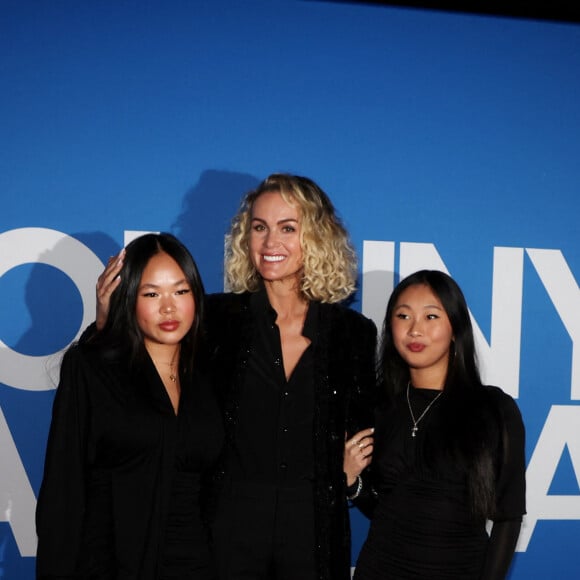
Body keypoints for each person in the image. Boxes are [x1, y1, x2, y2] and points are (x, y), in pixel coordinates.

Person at [93, 174, 378, 580]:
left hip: (312, 532)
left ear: (317, 237)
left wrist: (347, 478)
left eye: (287, 228)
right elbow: (143, 379)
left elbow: (363, 427)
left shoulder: (354, 333)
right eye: (259, 227)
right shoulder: (215, 320)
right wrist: (107, 324)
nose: (269, 242)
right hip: (224, 531)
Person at [36, 233, 224, 580]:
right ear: (127, 297)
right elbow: (62, 493)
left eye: (180, 291)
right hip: (112, 565)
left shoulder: (210, 373)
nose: (169, 307)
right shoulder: (92, 369)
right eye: (151, 294)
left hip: (197, 564)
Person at [346, 269, 526, 580]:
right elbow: (387, 508)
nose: (415, 330)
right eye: (404, 316)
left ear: (455, 328)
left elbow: (507, 518)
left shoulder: (494, 409)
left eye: (431, 317)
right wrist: (350, 482)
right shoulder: (377, 405)